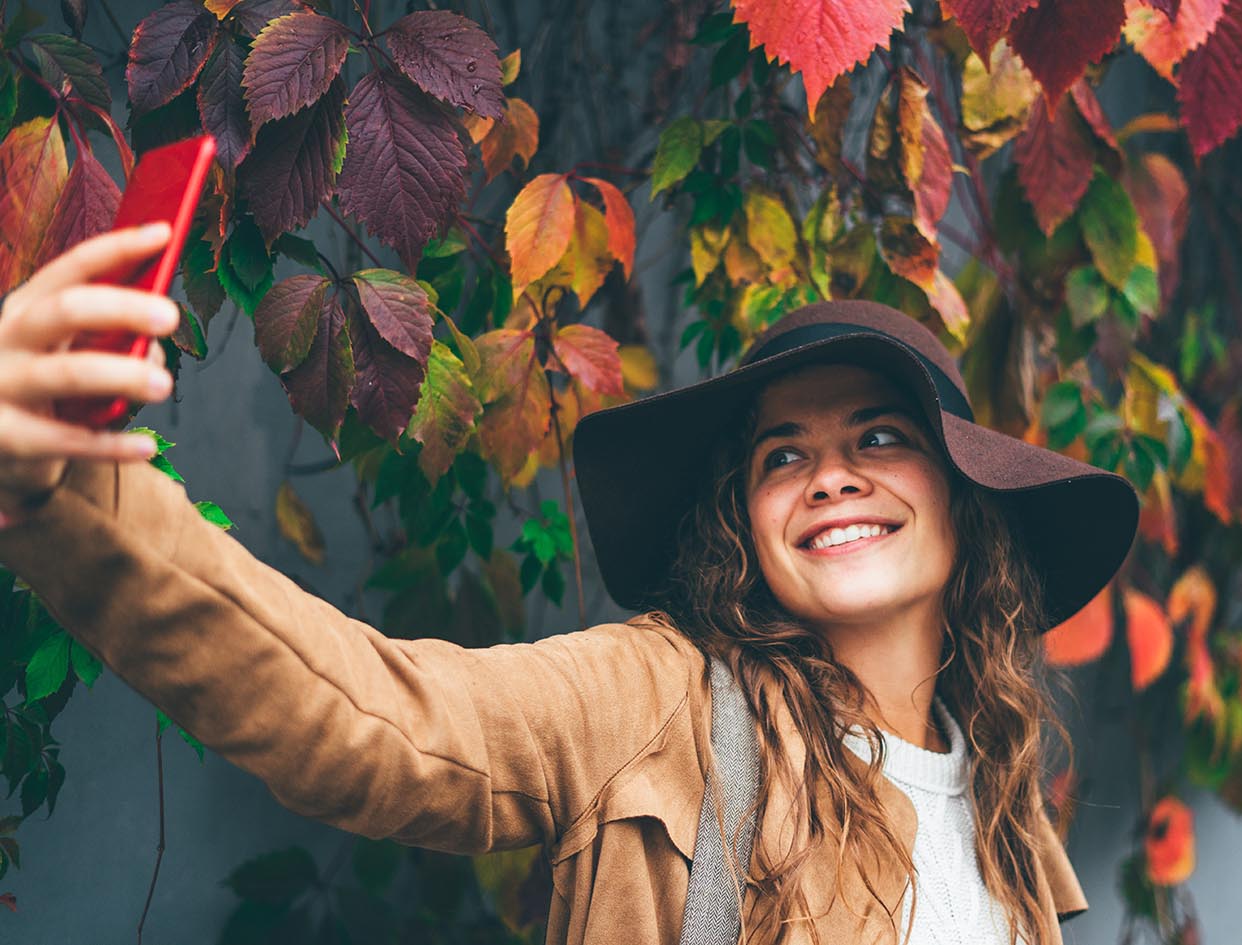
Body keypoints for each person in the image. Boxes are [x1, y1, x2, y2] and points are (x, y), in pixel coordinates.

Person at [0, 226, 1139, 945]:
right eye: (781, 455)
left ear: (964, 495)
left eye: (879, 438)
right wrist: (62, 492)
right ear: (745, 522)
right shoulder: (660, 706)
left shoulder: (999, 791)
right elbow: (359, 716)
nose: (829, 477)